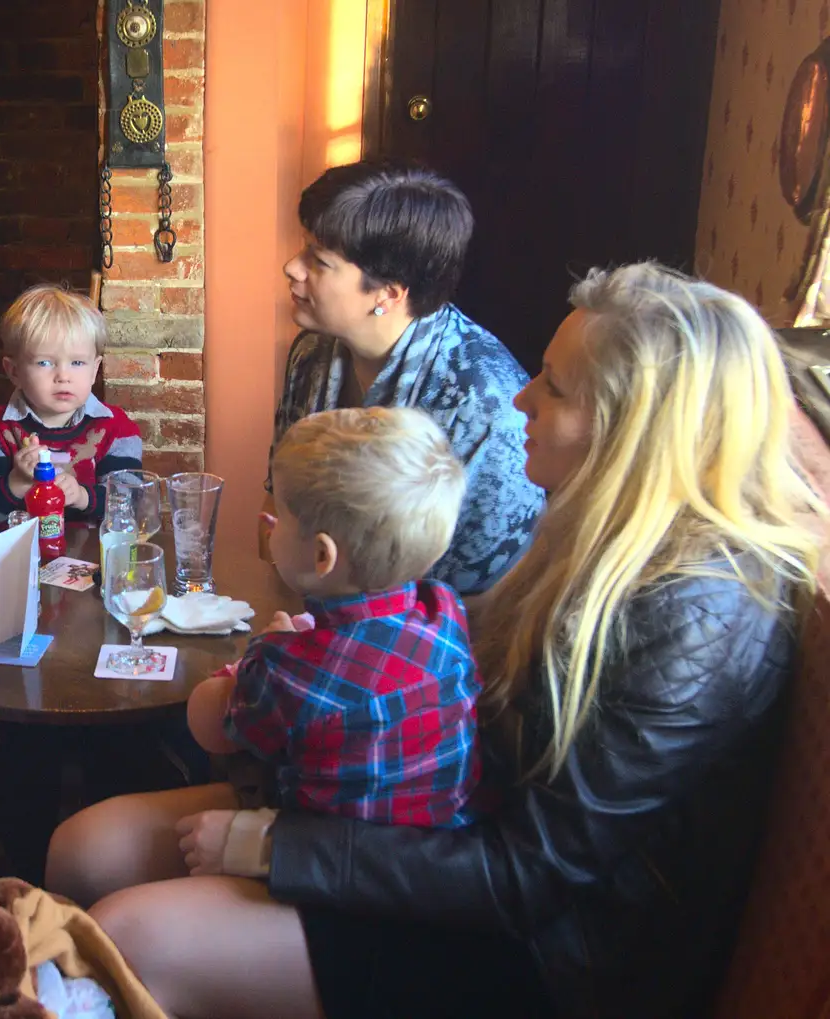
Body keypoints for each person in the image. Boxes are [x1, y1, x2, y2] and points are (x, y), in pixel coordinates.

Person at [46, 263, 822, 1019]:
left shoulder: (699, 615)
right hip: (438, 825)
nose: (520, 398)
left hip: (540, 950)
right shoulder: (595, 529)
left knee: (131, 935)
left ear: (632, 427)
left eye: (551, 385)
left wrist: (270, 844)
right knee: (87, 846)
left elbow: (531, 874)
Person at [182, 407, 479, 829]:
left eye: (280, 516)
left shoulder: (286, 668)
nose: (268, 523)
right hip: (438, 847)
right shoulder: (445, 609)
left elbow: (207, 726)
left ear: (322, 556)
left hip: (323, 857)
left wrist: (256, 656)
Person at [265, 160, 542, 595]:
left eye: (318, 260)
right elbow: (282, 506)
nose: (292, 268)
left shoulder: (483, 403)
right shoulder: (312, 353)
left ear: (388, 294)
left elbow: (479, 594)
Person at [0, 284, 143, 538]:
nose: (63, 376)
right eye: (44, 362)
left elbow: (132, 506)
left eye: (77, 362)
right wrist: (17, 481)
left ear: (95, 369)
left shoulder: (117, 429)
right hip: (16, 560)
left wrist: (82, 496)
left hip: (95, 559)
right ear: (14, 371)